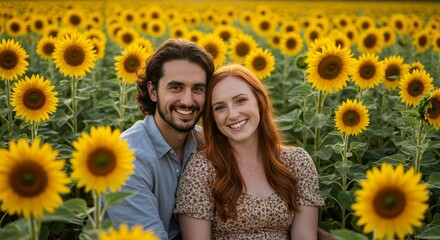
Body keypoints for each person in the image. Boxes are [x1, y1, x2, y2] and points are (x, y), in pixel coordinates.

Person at [174, 64, 325, 239]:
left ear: (259, 101)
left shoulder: (297, 162)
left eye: (240, 100)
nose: (232, 114)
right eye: (220, 107)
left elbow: (304, 236)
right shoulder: (202, 169)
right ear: (212, 118)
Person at [105, 38, 214, 240]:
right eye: (176, 87)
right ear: (153, 91)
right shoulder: (126, 159)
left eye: (198, 89)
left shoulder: (204, 143)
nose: (188, 101)